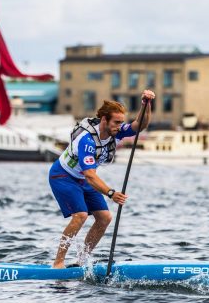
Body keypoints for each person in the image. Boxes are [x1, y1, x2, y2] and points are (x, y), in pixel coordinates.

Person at [49, 89, 155, 268]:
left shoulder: (115, 131)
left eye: (121, 122)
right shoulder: (87, 140)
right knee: (80, 215)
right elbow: (90, 175)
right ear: (104, 120)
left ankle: (81, 261)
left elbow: (139, 125)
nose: (119, 126)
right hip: (63, 176)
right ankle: (58, 262)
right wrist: (111, 193)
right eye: (116, 122)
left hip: (83, 179)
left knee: (105, 218)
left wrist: (146, 105)